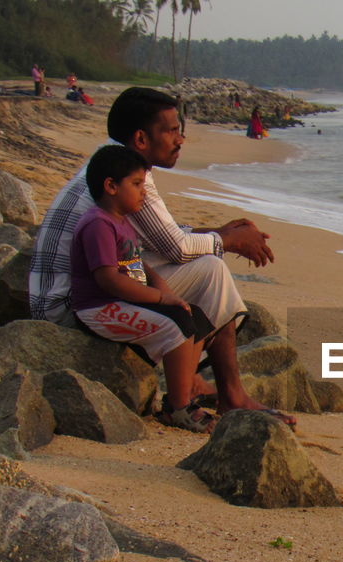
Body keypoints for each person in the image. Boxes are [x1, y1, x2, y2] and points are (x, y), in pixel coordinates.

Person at [30, 86, 293, 422]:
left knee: (203, 267)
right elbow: (176, 248)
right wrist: (228, 240)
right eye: (171, 131)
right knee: (211, 270)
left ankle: (197, 382)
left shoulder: (110, 165)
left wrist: (220, 234)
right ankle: (215, 394)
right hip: (71, 305)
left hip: (61, 294)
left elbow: (158, 237)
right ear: (140, 138)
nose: (180, 140)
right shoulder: (126, 177)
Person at [70, 145, 215, 433]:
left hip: (128, 298)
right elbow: (109, 279)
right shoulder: (98, 223)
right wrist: (159, 297)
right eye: (136, 184)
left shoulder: (122, 221)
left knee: (195, 317)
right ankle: (177, 408)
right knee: (176, 327)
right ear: (111, 186)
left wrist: (164, 290)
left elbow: (137, 263)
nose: (143, 192)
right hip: (100, 307)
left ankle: (183, 393)